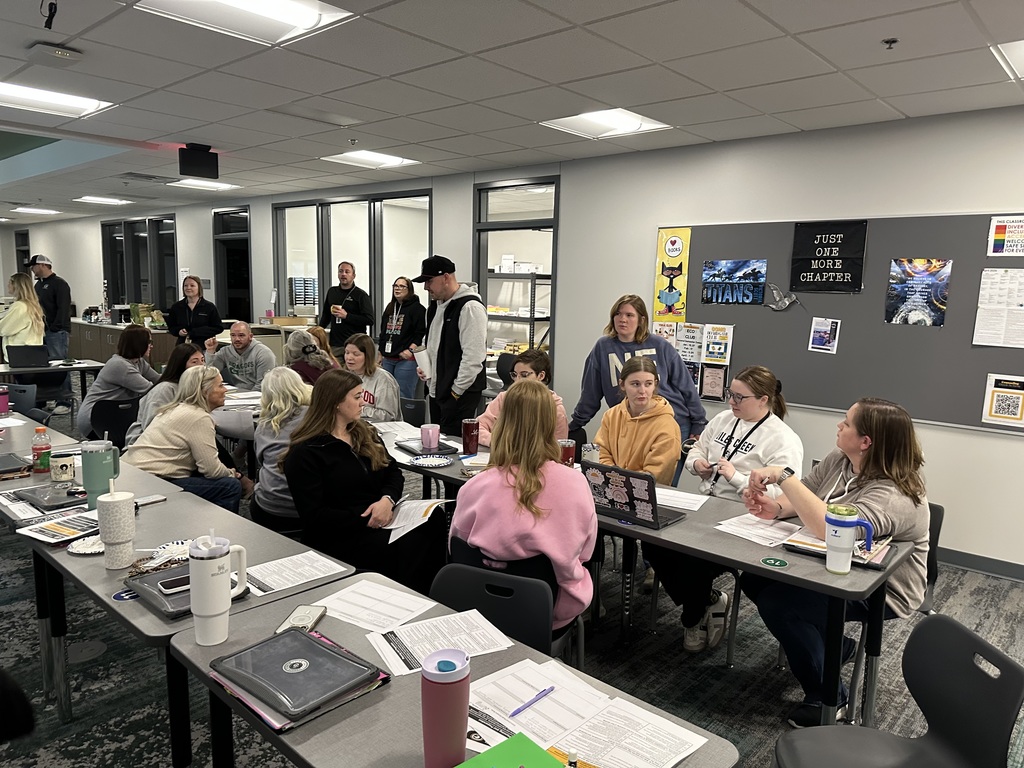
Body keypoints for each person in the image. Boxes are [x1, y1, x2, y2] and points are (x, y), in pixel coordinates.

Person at [741, 397, 929, 728]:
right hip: (832, 567)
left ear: (865, 442)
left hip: (879, 587)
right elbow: (808, 493)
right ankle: (836, 646)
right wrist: (777, 508)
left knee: (780, 604)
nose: (839, 426)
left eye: (846, 423)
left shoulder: (894, 494)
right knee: (754, 579)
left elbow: (833, 530)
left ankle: (830, 698)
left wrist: (783, 476)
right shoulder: (841, 459)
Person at [644, 366, 804, 654]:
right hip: (706, 507)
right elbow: (697, 449)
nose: (731, 401)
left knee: (692, 559)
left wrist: (737, 478)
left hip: (747, 518)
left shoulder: (783, 439)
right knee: (654, 541)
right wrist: (696, 464)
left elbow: (783, 497)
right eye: (731, 394)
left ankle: (692, 618)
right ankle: (708, 600)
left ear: (763, 400)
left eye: (740, 397)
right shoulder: (723, 419)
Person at [451, 379, 597, 630]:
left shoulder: (474, 487)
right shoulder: (576, 484)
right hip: (548, 611)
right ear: (551, 424)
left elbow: (457, 548)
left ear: (502, 423)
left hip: (477, 608)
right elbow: (585, 552)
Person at [283, 369, 445, 593]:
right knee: (409, 545)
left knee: (434, 518)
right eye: (357, 397)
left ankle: (431, 592)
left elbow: (393, 472)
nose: (363, 403)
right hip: (343, 532)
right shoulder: (306, 452)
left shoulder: (364, 432)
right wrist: (370, 518)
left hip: (382, 514)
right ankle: (409, 593)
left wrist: (387, 500)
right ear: (336, 403)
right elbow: (315, 516)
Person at [569, 294, 707, 445]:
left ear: (641, 320)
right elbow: (590, 393)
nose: (622, 319)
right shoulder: (602, 347)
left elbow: (686, 386)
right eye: (618, 314)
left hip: (671, 422)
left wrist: (699, 422)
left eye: (629, 315)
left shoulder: (659, 345)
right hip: (630, 424)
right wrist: (575, 425)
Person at [124, 365, 249, 512]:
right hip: (153, 482)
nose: (225, 390)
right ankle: (219, 526)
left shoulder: (175, 408)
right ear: (205, 391)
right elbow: (212, 470)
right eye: (220, 385)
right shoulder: (198, 417)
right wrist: (234, 474)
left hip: (133, 475)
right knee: (230, 486)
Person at [413, 255, 487, 435]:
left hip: (459, 394)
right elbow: (431, 343)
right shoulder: (434, 307)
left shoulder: (470, 307)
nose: (426, 287)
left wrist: (455, 392)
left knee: (455, 443)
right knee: (438, 441)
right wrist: (425, 367)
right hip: (437, 390)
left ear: (446, 277)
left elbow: (473, 358)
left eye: (429, 281)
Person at [594, 356, 681, 485]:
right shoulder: (611, 415)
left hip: (646, 493)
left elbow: (654, 474)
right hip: (610, 487)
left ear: (655, 384)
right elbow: (600, 452)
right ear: (622, 384)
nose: (642, 391)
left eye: (648, 384)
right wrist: (613, 478)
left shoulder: (667, 426)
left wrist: (619, 482)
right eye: (635, 384)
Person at [252, 367, 310, 533]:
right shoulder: (314, 418)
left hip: (268, 506)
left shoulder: (263, 426)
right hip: (305, 507)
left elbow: (261, 461)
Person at [77, 324, 160, 438]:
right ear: (138, 343)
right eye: (149, 342)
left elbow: (159, 380)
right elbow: (152, 390)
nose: (151, 346)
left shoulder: (138, 362)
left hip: (115, 415)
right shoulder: (120, 365)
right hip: (94, 421)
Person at [476, 349, 568, 447]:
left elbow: (559, 448)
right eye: (515, 375)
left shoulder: (555, 408)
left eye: (524, 375)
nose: (517, 380)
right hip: (504, 453)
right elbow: (477, 428)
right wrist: (498, 443)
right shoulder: (504, 398)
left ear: (541, 376)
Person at [124, 342, 204, 446]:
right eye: (194, 362)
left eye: (203, 360)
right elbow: (151, 427)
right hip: (145, 444)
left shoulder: (192, 386)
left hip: (176, 438)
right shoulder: (165, 390)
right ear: (180, 365)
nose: (201, 366)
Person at [29, 254, 73, 413]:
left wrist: (55, 328)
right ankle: (43, 399)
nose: (32, 269)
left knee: (59, 365)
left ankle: (64, 401)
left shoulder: (59, 284)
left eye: (34, 266)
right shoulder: (38, 285)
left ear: (42, 265)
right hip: (41, 332)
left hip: (56, 332)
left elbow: (64, 308)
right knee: (44, 367)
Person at [377, 275, 426, 400]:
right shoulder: (390, 307)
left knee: (403, 395)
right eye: (395, 286)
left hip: (406, 360)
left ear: (409, 290)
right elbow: (383, 332)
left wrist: (410, 350)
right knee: (386, 394)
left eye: (402, 286)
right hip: (388, 358)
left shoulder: (417, 309)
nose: (397, 289)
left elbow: (420, 333)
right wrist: (380, 353)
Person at [318, 261, 374, 359]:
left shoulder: (361, 295)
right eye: (341, 271)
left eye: (347, 272)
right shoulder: (332, 292)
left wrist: (347, 316)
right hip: (335, 344)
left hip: (355, 344)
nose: (343, 274)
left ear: (353, 276)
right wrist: (317, 331)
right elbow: (326, 315)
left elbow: (369, 320)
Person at [203, 321, 276, 391]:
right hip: (237, 393)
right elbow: (210, 375)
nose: (237, 339)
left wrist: (248, 396)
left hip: (258, 395)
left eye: (241, 335)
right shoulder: (225, 351)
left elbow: (263, 385)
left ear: (250, 336)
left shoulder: (263, 354)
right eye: (233, 335)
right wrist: (210, 351)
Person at [344, 333, 400, 422]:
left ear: (368, 356)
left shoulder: (383, 379)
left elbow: (388, 416)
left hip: (378, 427)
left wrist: (357, 409)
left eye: (356, 354)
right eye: (347, 353)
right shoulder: (345, 376)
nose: (349, 358)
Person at [165, 275, 222, 348]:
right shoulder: (177, 307)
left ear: (199, 288)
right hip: (183, 347)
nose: (188, 288)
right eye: (185, 286)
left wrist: (197, 332)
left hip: (204, 347)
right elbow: (171, 327)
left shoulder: (209, 307)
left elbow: (218, 328)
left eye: (192, 285)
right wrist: (178, 331)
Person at [0, 272, 44, 359]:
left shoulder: (19, 306)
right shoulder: (33, 306)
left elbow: (4, 329)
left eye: (9, 283)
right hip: (33, 352)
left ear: (16, 286)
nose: (8, 285)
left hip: (19, 353)